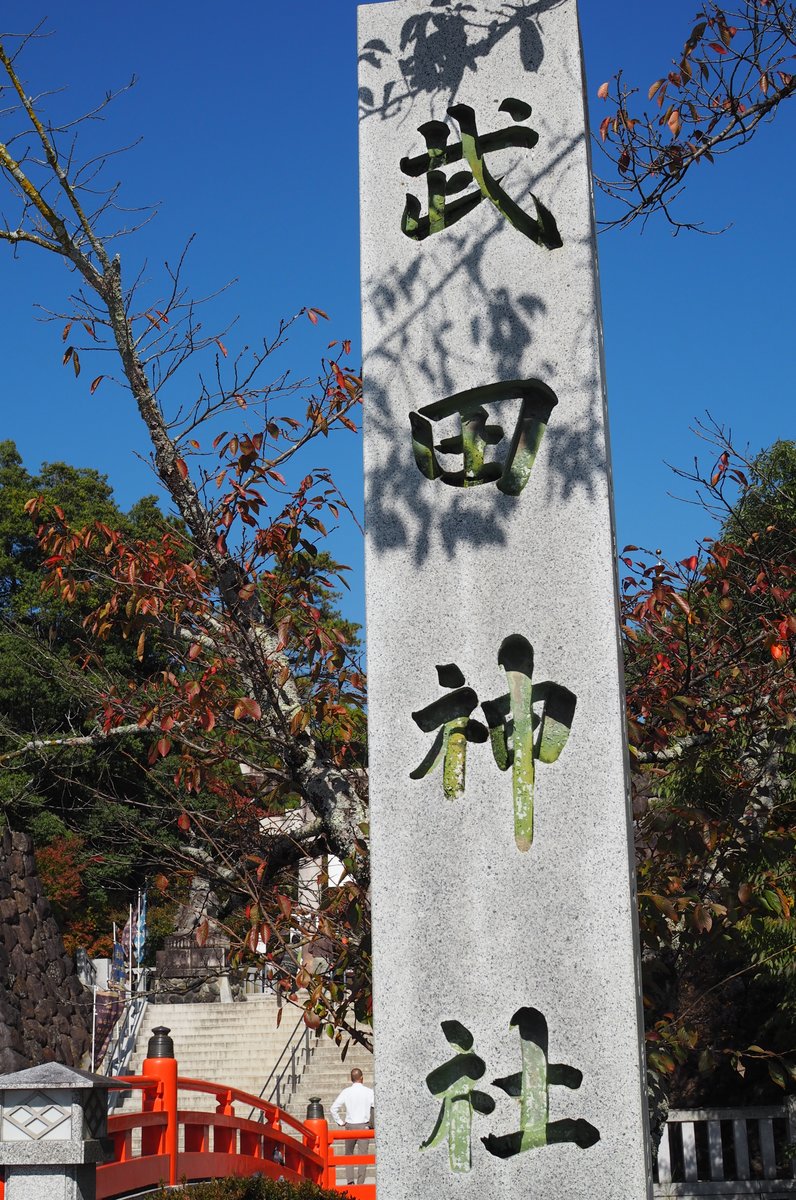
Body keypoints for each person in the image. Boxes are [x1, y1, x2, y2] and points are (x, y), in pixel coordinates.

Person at [330, 1068, 374, 1187]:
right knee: (363, 1157)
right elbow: (374, 1108)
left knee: (348, 1155)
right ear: (362, 1078)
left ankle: (350, 1182)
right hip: (364, 1126)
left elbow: (333, 1108)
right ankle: (360, 1183)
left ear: (351, 1079)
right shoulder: (369, 1092)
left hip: (350, 1126)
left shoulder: (346, 1092)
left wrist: (340, 1121)